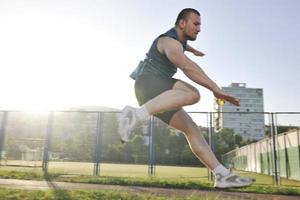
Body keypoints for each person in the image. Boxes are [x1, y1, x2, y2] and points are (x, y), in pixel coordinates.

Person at [119, 8, 254, 188]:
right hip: (148, 84)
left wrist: (193, 49)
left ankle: (222, 176)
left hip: (157, 95)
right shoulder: (168, 42)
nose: (199, 29)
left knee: (192, 129)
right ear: (182, 23)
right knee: (192, 94)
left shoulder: (180, 42)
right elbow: (186, 66)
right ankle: (136, 115)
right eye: (195, 24)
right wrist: (215, 88)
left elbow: (184, 46)